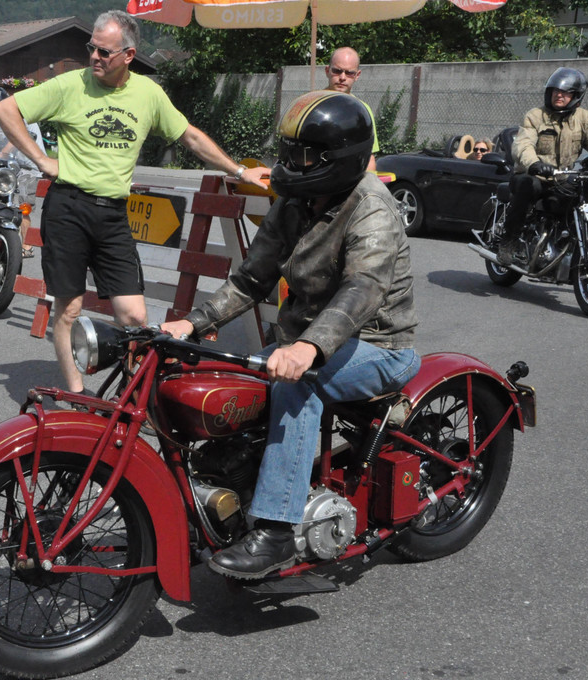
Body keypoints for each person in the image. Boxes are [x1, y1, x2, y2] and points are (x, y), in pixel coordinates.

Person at [161, 91, 420, 579]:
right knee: (221, 380)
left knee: (296, 386)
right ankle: (228, 488)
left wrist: (308, 347)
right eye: (288, 152)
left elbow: (363, 288)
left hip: (379, 346)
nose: (290, 163)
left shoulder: (372, 207)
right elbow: (251, 280)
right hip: (306, 341)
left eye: (303, 155)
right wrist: (193, 322)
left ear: (338, 158)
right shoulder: (295, 202)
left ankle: (277, 531)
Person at [0, 9, 267, 394]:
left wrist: (239, 171)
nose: (94, 57)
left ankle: (134, 395)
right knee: (69, 310)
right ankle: (77, 394)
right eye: (92, 48)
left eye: (104, 52)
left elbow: (189, 136)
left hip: (112, 215)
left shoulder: (147, 94)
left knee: (134, 315)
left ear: (129, 55)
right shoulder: (70, 85)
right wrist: (40, 159)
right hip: (68, 208)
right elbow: (5, 110)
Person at [501, 67, 588, 265]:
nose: (559, 95)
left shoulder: (585, 119)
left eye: (566, 92)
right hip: (533, 174)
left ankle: (572, 242)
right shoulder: (535, 116)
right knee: (528, 185)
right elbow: (523, 144)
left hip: (561, 178)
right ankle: (509, 240)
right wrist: (534, 164)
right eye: (555, 91)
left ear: (576, 96)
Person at [0, 86, 44, 259]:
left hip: (30, 168)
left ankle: (26, 246)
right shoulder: (6, 117)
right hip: (17, 167)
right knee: (3, 201)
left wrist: (1, 154)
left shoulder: (18, 113)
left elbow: (16, 138)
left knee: (22, 208)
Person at [324, 47, 379, 171]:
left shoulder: (362, 110)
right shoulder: (312, 104)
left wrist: (369, 181)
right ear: (327, 71)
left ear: (357, 75)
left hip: (352, 178)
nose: (342, 77)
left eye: (349, 73)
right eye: (337, 71)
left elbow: (369, 157)